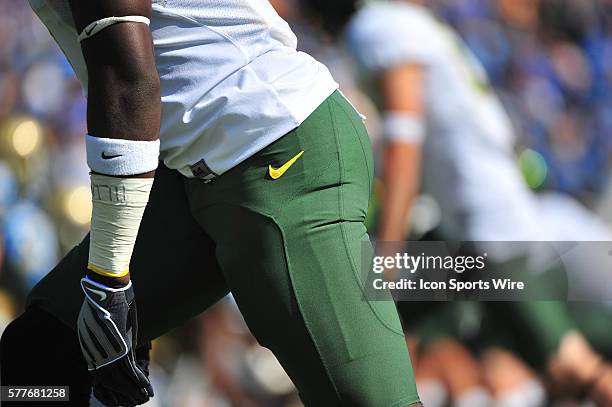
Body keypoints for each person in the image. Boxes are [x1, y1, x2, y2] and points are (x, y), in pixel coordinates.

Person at [0, 1, 423, 406]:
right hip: (195, 167)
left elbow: (128, 80)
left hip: (275, 151)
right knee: (38, 359)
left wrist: (111, 274)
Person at [300, 0, 612, 404]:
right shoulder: (405, 23)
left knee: (570, 367)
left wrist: (389, 251)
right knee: (378, 318)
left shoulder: (379, 26)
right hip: (464, 228)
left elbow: (404, 144)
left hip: (486, 231)